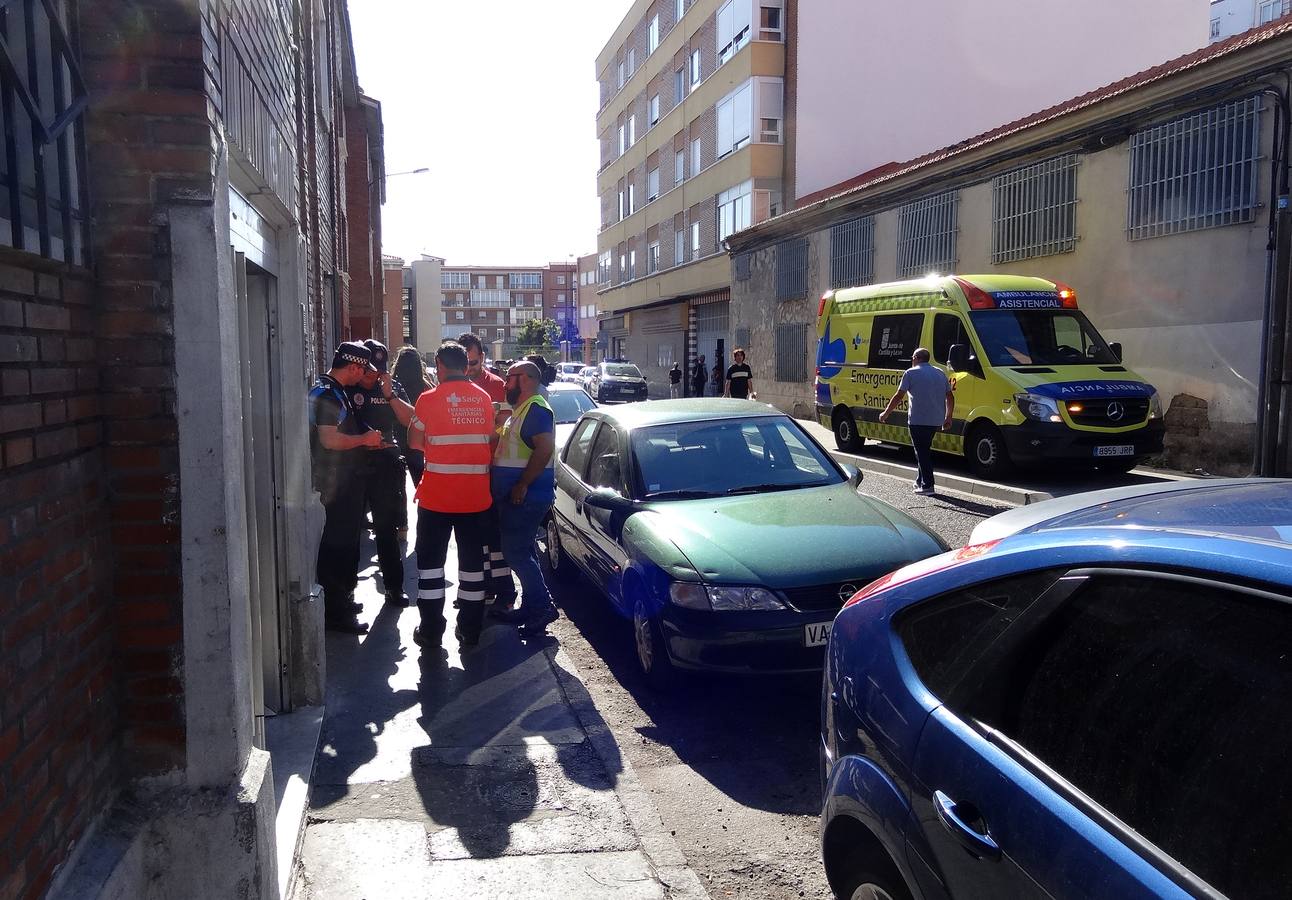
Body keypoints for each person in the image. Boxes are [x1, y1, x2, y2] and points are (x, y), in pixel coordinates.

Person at [406, 341, 495, 649]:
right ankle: (470, 630)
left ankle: (431, 631)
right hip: (475, 498)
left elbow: (414, 442)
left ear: (441, 367)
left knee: (431, 565)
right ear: (465, 365)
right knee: (472, 566)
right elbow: (491, 440)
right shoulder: (484, 399)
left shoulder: (427, 399)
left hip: (436, 498)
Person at [309, 341, 385, 633]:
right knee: (337, 545)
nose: (365, 376)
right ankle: (336, 612)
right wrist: (364, 441)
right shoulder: (328, 394)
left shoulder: (335, 390)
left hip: (346, 480)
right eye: (363, 370)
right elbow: (329, 440)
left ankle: (342, 598)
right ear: (353, 366)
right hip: (335, 482)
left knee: (346, 542)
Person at [491, 361, 560, 639]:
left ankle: (543, 607)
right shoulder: (521, 410)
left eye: (510, 378)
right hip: (519, 496)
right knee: (525, 551)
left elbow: (544, 449)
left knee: (516, 553)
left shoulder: (536, 408)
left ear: (527, 379)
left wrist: (522, 484)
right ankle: (532, 606)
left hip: (527, 496)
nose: (505, 383)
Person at [349, 340, 415, 607]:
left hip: (385, 464)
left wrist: (390, 395)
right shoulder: (347, 387)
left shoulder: (391, 387)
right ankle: (345, 591)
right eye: (368, 368)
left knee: (386, 528)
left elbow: (410, 418)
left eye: (377, 369)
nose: (372, 374)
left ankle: (394, 587)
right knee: (349, 529)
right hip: (351, 465)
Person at [458, 332, 516, 610]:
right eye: (464, 363)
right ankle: (476, 588)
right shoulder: (452, 387)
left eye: (473, 361)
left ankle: (503, 590)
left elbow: (505, 430)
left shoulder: (497, 387)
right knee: (471, 536)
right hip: (464, 474)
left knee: (495, 535)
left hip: (492, 470)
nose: (469, 368)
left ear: (482, 357)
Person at [878, 347, 955, 496]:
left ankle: (928, 485)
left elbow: (899, 396)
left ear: (916, 358)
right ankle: (920, 481)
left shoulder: (910, 373)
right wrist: (948, 416)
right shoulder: (940, 373)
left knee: (922, 453)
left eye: (913, 358)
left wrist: (886, 413)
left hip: (918, 420)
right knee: (923, 450)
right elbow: (950, 396)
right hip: (936, 420)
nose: (912, 360)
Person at [391, 344, 432, 538]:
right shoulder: (427, 385)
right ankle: (425, 524)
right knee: (422, 485)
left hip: (397, 437)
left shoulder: (393, 385)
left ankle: (402, 527)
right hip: (419, 439)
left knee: (398, 486)